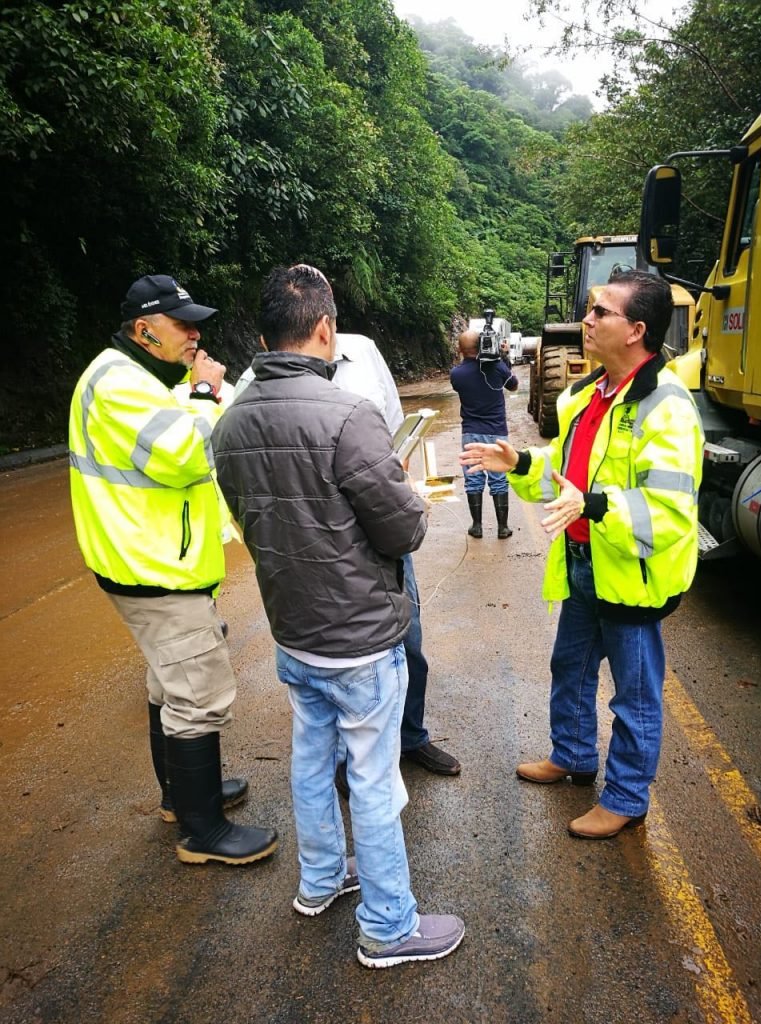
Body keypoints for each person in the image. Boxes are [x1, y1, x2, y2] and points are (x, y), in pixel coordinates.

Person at [213, 265, 464, 967]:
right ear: (325, 329)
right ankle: (388, 928)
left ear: (264, 337)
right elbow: (404, 531)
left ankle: (321, 880)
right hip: (358, 638)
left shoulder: (230, 424)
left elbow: (249, 522)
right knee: (376, 782)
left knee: (310, 760)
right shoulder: (348, 416)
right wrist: (407, 496)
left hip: (294, 633)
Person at [460, 271, 703, 839]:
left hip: (632, 576)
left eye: (601, 313)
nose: (587, 321)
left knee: (634, 697)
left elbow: (666, 513)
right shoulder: (586, 397)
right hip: (583, 564)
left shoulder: (667, 409)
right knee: (569, 668)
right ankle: (572, 754)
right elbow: (566, 477)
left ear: (636, 330)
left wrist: (594, 506)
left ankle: (625, 798)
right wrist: (519, 464)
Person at [68, 274, 277, 866]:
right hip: (153, 569)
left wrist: (199, 391)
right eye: (182, 324)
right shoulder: (115, 384)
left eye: (196, 323)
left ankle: (181, 798)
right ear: (143, 330)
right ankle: (202, 831)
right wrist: (207, 392)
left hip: (153, 562)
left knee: (168, 683)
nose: (195, 333)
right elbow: (184, 454)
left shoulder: (132, 378)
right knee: (197, 693)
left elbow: (169, 433)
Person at [234, 335, 461, 779]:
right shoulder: (252, 384)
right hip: (307, 546)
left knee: (408, 642)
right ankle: (348, 760)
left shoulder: (365, 353)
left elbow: (397, 441)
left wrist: (400, 496)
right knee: (330, 661)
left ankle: (410, 736)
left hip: (377, 526)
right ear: (320, 325)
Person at [450, 329, 518, 539]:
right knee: (499, 479)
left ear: (459, 349)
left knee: (473, 478)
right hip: (497, 432)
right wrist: (504, 358)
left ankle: (477, 526)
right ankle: (502, 528)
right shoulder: (497, 367)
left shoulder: (456, 374)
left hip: (470, 433)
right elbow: (513, 386)